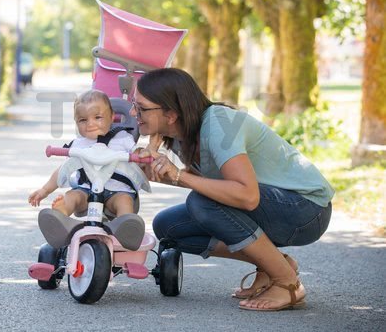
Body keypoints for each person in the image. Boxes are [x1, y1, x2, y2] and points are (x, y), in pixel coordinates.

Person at [132, 68, 333, 311]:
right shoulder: (177, 135)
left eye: (141, 108)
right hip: (275, 207)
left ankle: (287, 283)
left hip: (306, 209)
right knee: (168, 226)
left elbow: (247, 197)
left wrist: (180, 175)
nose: (134, 113)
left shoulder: (218, 123)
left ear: (171, 114)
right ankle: (275, 266)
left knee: (201, 203)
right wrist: (155, 172)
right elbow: (209, 181)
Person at [28, 89, 146, 250]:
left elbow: (138, 155)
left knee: (124, 202)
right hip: (86, 192)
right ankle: (60, 220)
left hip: (117, 192)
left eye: (97, 117)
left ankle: (126, 229)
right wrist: (44, 190)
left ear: (112, 117)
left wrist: (140, 154)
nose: (90, 124)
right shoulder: (78, 144)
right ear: (76, 123)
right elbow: (64, 169)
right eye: (83, 120)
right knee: (72, 196)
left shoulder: (123, 138)